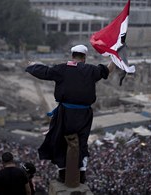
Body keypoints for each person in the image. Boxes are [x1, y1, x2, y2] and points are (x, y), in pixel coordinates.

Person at [26, 44, 114, 183]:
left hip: (65, 113)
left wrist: (32, 66)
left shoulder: (62, 68)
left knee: (60, 141)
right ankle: (82, 173)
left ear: (72, 56)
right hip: (84, 114)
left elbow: (44, 72)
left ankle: (62, 173)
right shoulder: (91, 70)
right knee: (82, 143)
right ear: (84, 57)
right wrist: (115, 58)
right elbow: (107, 71)